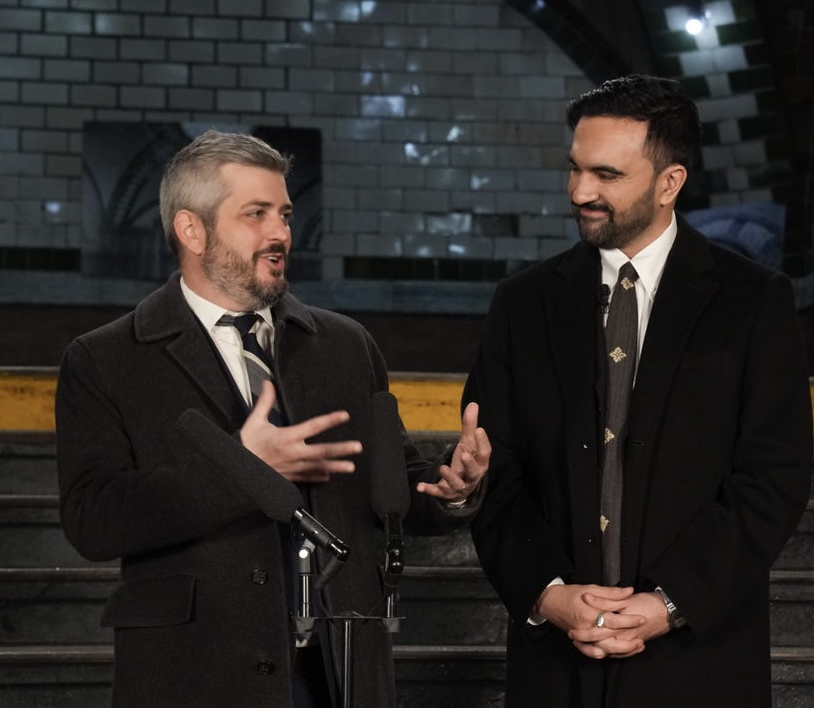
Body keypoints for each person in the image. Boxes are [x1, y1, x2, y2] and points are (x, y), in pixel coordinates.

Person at [55, 129, 490, 708]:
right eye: (255, 214)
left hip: (339, 670)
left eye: (284, 213)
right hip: (196, 676)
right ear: (192, 229)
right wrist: (245, 469)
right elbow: (94, 521)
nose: (280, 233)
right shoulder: (106, 359)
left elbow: (394, 486)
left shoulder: (345, 345)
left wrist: (451, 489)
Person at [464, 74, 812, 707]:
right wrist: (547, 593)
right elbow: (495, 469)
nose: (580, 192)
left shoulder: (754, 301)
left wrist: (669, 603)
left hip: (699, 667)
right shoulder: (521, 304)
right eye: (574, 170)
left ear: (670, 182)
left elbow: (773, 478)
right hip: (554, 671)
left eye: (607, 175)